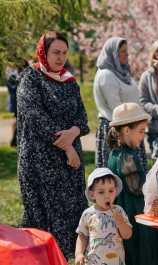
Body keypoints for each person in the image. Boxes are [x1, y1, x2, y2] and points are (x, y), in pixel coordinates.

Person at [17, 31, 89, 259]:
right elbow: (35, 116)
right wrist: (68, 146)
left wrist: (75, 131)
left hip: (69, 167)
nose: (60, 58)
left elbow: (82, 117)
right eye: (55, 52)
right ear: (43, 52)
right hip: (40, 163)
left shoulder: (69, 81)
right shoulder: (31, 78)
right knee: (42, 226)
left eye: (64, 53)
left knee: (71, 224)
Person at [107, 103, 158, 265]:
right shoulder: (127, 157)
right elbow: (138, 188)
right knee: (142, 255)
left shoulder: (116, 153)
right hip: (135, 216)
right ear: (126, 130)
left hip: (127, 214)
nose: (143, 137)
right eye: (140, 131)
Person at [93, 37, 144, 169]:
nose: (127, 54)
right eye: (122, 51)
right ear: (113, 54)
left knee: (134, 178)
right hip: (117, 130)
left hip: (131, 127)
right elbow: (116, 107)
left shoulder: (123, 73)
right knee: (116, 176)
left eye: (127, 51)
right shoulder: (106, 75)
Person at [75, 168, 132, 265]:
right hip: (93, 261)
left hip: (115, 261)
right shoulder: (88, 214)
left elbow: (127, 235)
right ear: (92, 195)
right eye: (101, 192)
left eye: (111, 191)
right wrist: (79, 253)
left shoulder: (119, 211)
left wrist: (121, 223)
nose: (107, 196)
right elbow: (82, 236)